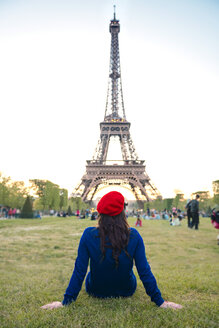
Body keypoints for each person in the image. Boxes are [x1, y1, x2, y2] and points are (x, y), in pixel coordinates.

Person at [41, 191, 182, 310]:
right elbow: (144, 270)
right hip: (127, 289)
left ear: (100, 213)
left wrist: (65, 302)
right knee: (130, 273)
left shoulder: (88, 234)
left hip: (96, 290)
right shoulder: (133, 235)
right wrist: (160, 302)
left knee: (91, 273)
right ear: (123, 211)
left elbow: (80, 270)